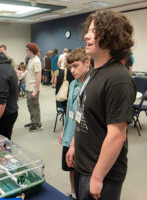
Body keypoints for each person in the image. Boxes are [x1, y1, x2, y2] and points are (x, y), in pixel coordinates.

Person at [66, 9, 136, 200]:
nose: (86, 36)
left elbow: (117, 135)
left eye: (93, 31)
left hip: (102, 173)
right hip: (84, 164)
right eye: (87, 31)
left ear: (109, 37)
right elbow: (83, 112)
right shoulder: (93, 72)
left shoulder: (118, 78)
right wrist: (74, 144)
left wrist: (97, 176)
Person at [58, 48, 91, 200]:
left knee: (81, 170)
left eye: (76, 66)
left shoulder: (90, 85)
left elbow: (84, 117)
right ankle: (73, 193)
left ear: (87, 63)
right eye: (70, 67)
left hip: (80, 138)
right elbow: (71, 111)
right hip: (69, 133)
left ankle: (81, 194)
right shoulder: (72, 84)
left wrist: (73, 141)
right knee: (70, 166)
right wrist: (64, 130)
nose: (72, 70)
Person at [24, 42, 42, 132]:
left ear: (31, 51)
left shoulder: (36, 61)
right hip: (28, 87)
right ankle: (33, 121)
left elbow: (38, 76)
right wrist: (22, 75)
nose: (26, 52)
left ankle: (37, 124)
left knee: (34, 106)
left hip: (33, 88)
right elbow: (28, 71)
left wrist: (36, 90)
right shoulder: (31, 60)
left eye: (27, 50)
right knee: (29, 106)